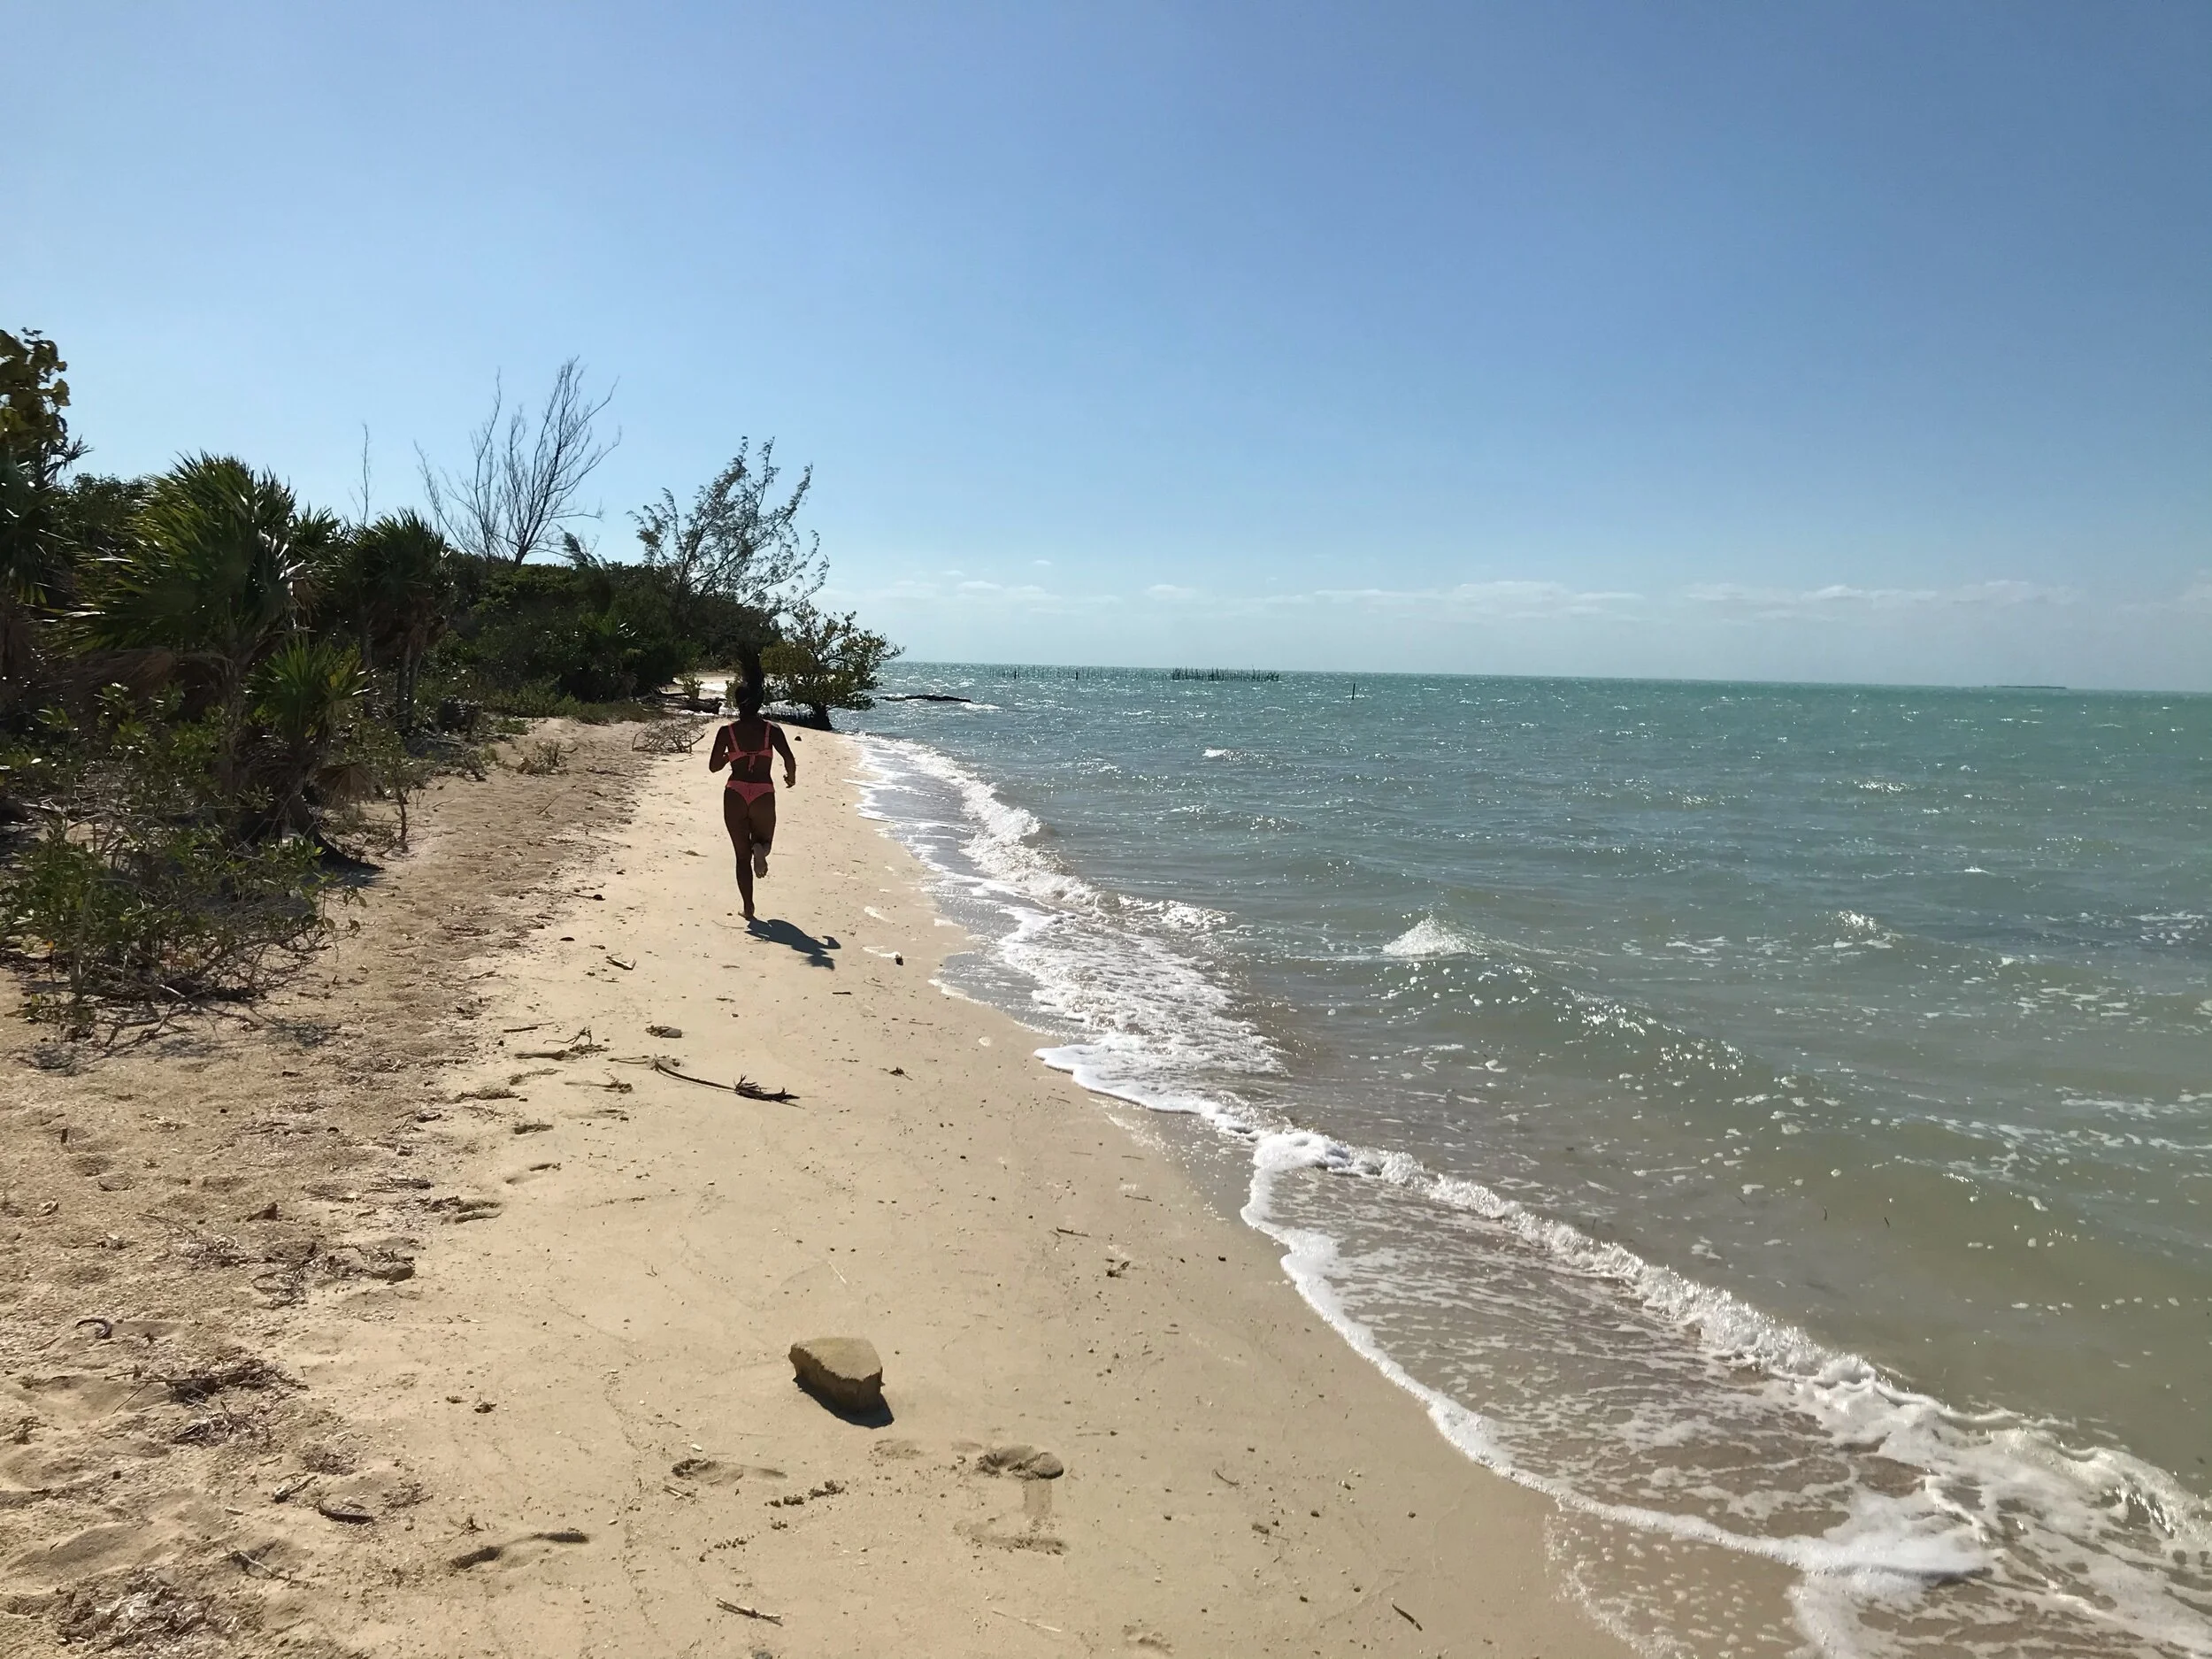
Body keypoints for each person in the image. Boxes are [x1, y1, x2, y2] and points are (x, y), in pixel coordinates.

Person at [708, 687, 797, 920]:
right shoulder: (771, 730)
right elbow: (789, 758)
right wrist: (791, 777)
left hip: (735, 792)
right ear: (759, 704)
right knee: (765, 841)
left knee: (741, 857)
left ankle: (748, 908)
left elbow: (713, 767)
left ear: (737, 704)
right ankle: (761, 850)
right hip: (763, 791)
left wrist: (729, 756)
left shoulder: (727, 732)